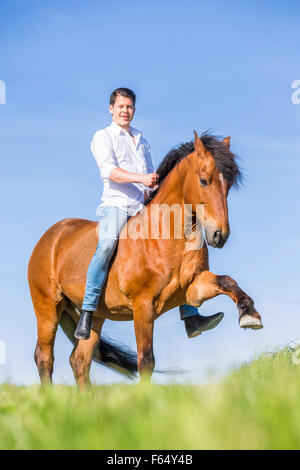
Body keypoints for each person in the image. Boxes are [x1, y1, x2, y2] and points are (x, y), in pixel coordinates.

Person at [74, 88, 224, 340]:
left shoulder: (142, 140)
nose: (125, 111)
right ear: (111, 109)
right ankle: (88, 310)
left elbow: (149, 176)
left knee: (182, 247)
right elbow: (109, 171)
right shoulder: (102, 136)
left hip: (144, 205)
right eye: (121, 106)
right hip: (118, 204)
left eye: (129, 107)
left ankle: (191, 317)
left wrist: (152, 186)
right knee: (106, 245)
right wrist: (141, 179)